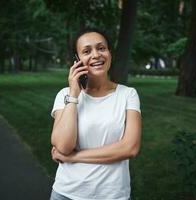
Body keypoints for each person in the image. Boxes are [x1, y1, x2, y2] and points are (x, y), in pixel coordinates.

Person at [50, 28, 142, 200]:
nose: (96, 55)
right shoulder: (65, 95)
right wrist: (74, 94)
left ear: (109, 53)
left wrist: (73, 157)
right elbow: (63, 146)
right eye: (86, 51)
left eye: (101, 48)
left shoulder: (128, 94)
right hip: (66, 194)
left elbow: (130, 148)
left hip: (113, 196)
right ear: (77, 60)